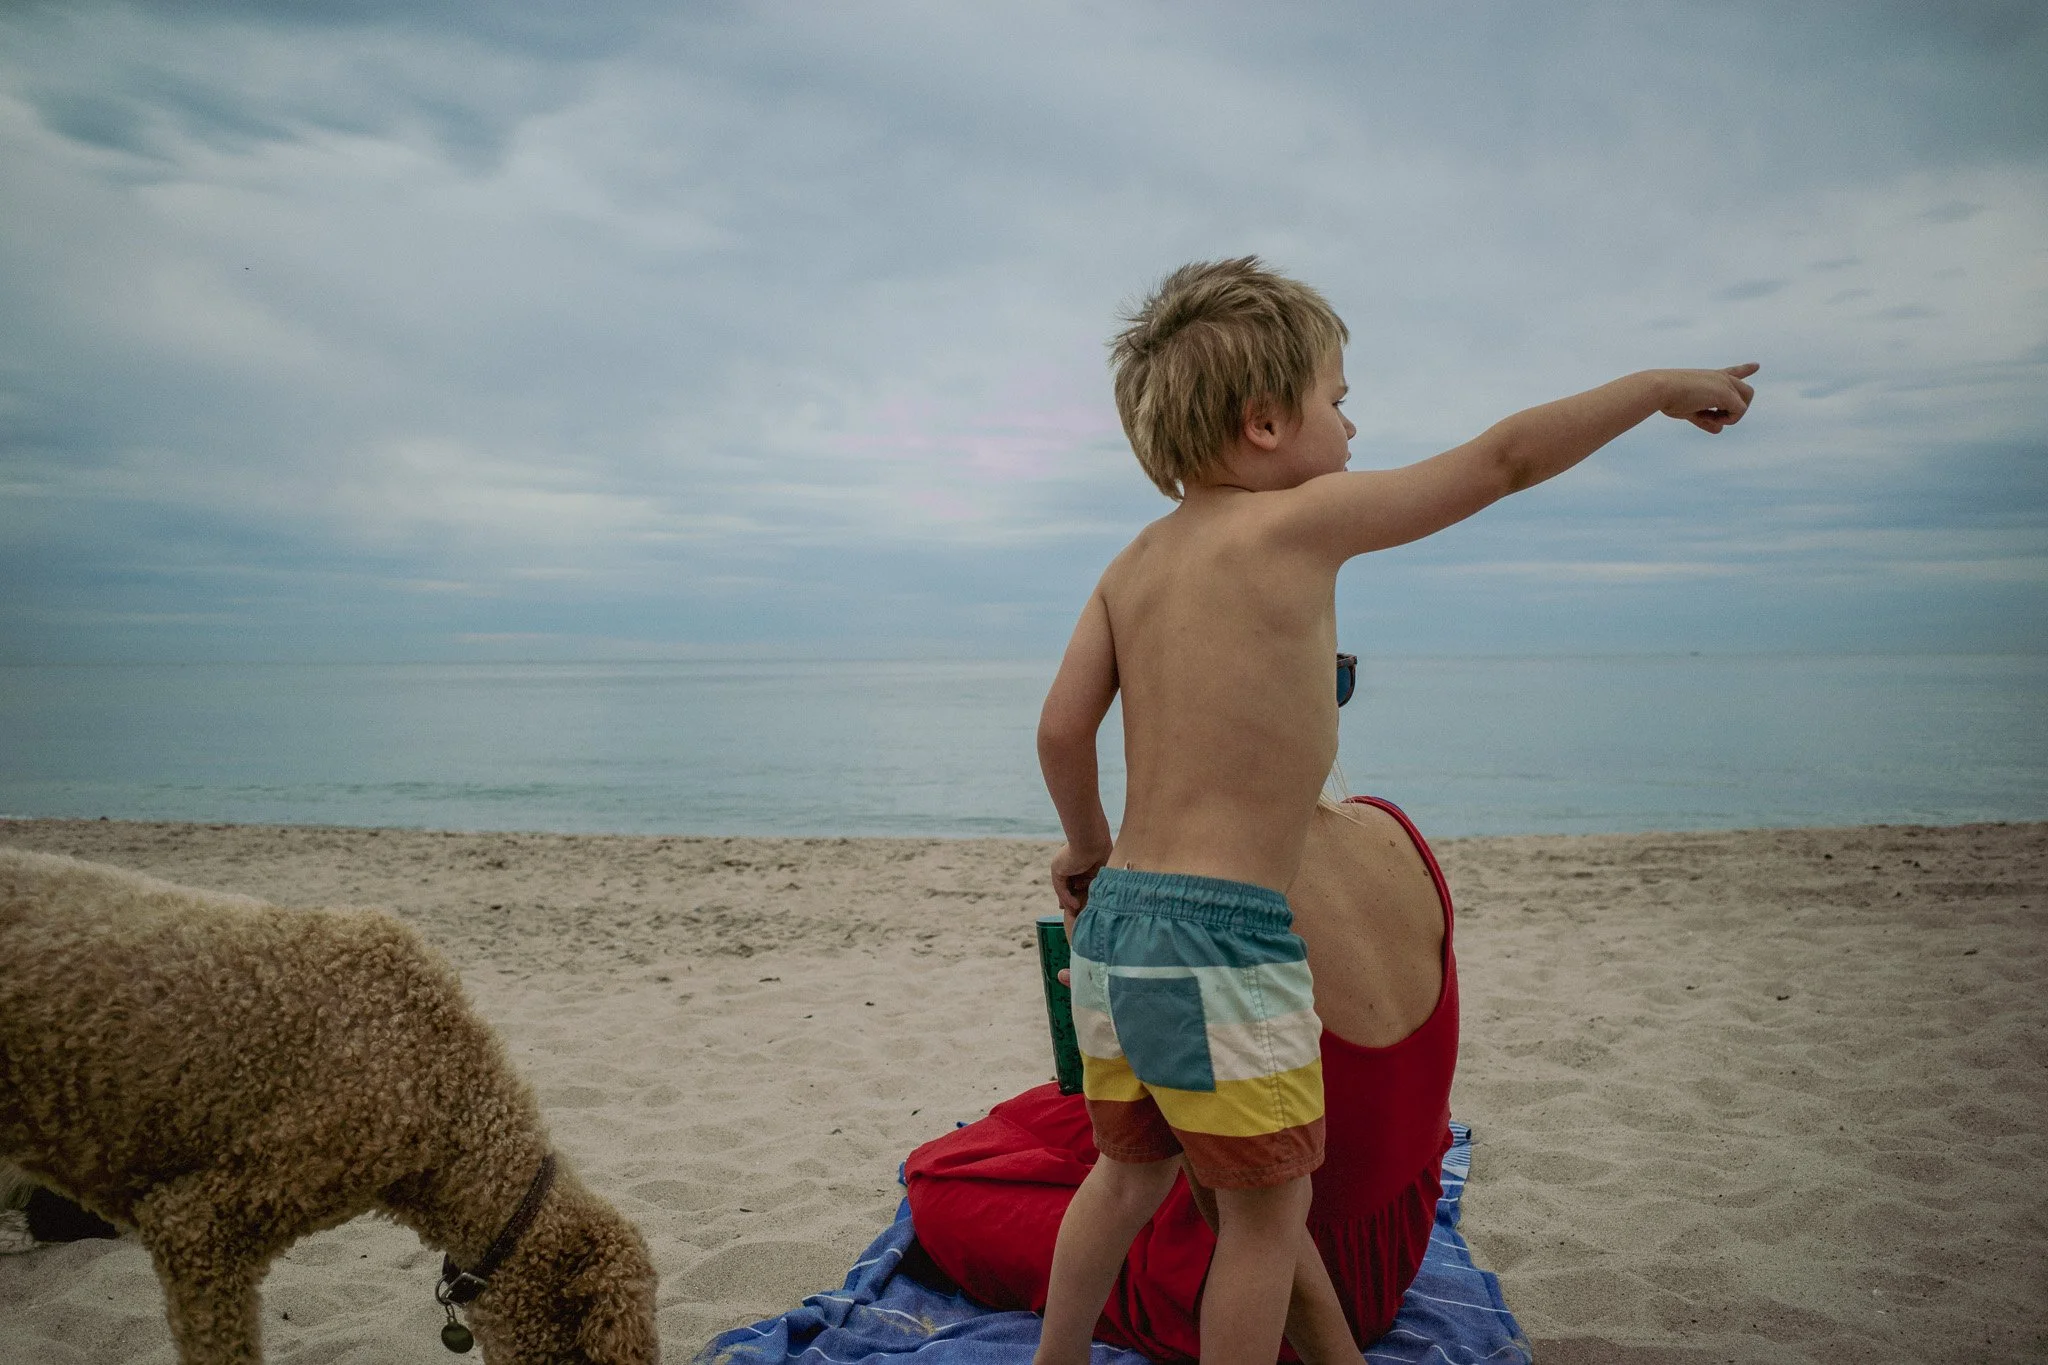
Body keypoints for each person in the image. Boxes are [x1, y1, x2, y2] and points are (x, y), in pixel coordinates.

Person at [1024, 257, 1756, 1365]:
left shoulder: (1130, 565)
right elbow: (1504, 460)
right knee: (1265, 1220)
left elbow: (1059, 730)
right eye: (1339, 399)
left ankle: (1053, 1360)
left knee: (1125, 1179)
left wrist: (1087, 848)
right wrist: (1655, 387)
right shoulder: (1300, 522)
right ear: (1265, 423)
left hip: (1119, 921)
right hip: (1226, 934)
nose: (1353, 426)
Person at [905, 794, 1458, 1360]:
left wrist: (1123, 979)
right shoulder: (1391, 827)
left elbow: (1234, 1184)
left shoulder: (1213, 880)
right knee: (1039, 1115)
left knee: (941, 1182)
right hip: (1394, 1241)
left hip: (1290, 1284)